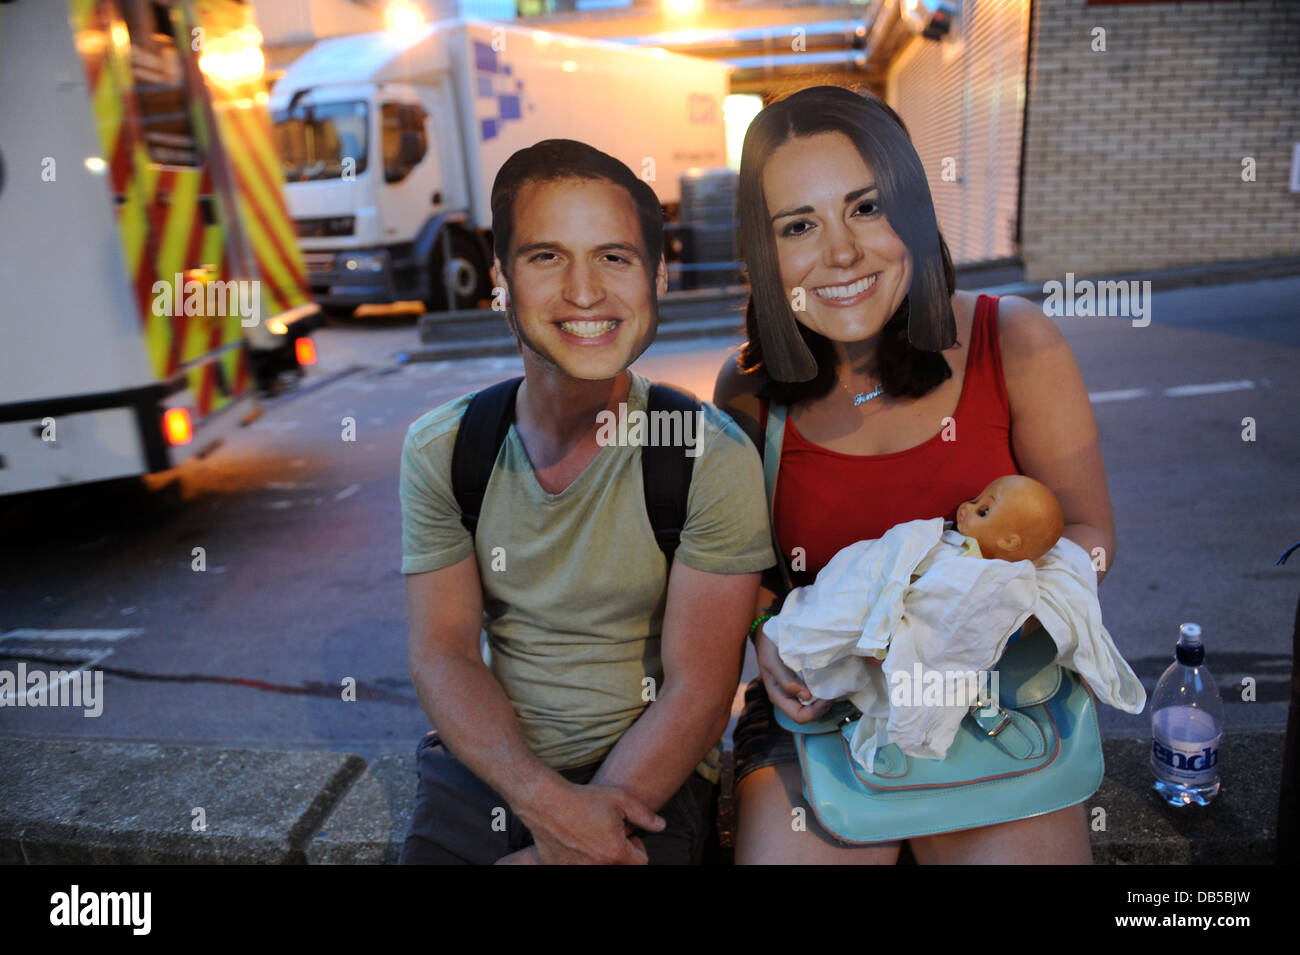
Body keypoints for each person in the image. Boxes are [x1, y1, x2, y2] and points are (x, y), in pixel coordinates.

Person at [714, 85, 1116, 864]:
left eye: (866, 208)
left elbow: (1091, 537)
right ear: (766, 255)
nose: (841, 253)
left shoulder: (1016, 339)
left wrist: (974, 626)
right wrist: (768, 636)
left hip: (998, 696)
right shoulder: (748, 387)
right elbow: (748, 583)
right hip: (820, 714)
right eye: (800, 225)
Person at [398, 139, 774, 865]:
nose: (584, 291)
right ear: (501, 279)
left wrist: (576, 841)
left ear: (655, 278)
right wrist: (548, 806)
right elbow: (443, 652)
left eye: (614, 256)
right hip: (489, 767)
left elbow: (700, 686)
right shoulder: (442, 449)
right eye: (546, 256)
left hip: (650, 775)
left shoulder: (707, 454)